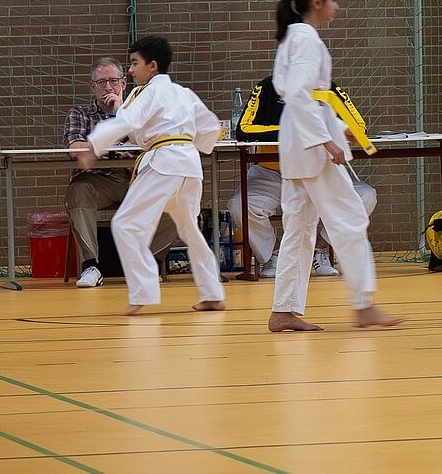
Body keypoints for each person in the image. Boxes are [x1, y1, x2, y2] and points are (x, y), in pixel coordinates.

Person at [267, 0, 403, 332]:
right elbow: (301, 95)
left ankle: (283, 310)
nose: (337, 6)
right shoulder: (306, 40)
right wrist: (326, 140)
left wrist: (339, 130)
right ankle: (364, 305)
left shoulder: (294, 38)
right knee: (349, 219)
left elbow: (309, 99)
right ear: (317, 2)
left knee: (299, 228)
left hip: (298, 141)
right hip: (311, 145)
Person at [85, 36, 225, 316]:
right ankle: (213, 294)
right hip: (189, 164)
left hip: (164, 164)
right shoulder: (183, 92)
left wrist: (94, 145)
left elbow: (127, 122)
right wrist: (190, 143)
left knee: (126, 224)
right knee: (189, 230)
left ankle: (144, 292)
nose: (130, 70)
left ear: (152, 65)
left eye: (134, 63)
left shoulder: (147, 92)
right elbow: (211, 128)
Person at [228, 74, 378, 277]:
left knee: (365, 196)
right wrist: (297, 130)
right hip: (272, 173)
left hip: (321, 172)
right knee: (241, 206)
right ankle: (274, 255)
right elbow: (244, 130)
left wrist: (330, 131)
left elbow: (359, 128)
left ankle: (320, 248)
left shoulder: (329, 88)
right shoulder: (267, 87)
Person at [64, 56, 176, 288]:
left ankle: (149, 263)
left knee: (175, 195)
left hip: (137, 178)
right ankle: (91, 266)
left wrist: (121, 111)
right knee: (78, 190)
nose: (108, 87)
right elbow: (75, 147)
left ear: (124, 84)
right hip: (98, 181)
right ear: (93, 87)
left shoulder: (140, 111)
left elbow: (158, 141)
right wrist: (112, 143)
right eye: (101, 82)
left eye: (113, 81)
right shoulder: (80, 114)